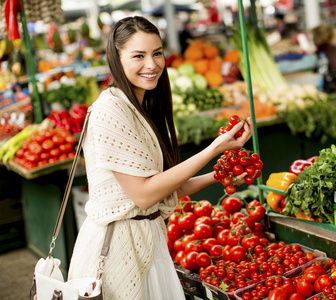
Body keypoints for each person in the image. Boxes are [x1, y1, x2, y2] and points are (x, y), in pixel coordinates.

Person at [67, 16, 253, 300]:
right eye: (138, 56)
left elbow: (162, 189)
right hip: (117, 249)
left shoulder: (138, 106)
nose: (152, 64)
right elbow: (142, 195)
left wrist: (218, 175)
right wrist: (214, 149)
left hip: (147, 242)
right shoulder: (109, 110)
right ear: (116, 58)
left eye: (156, 53)